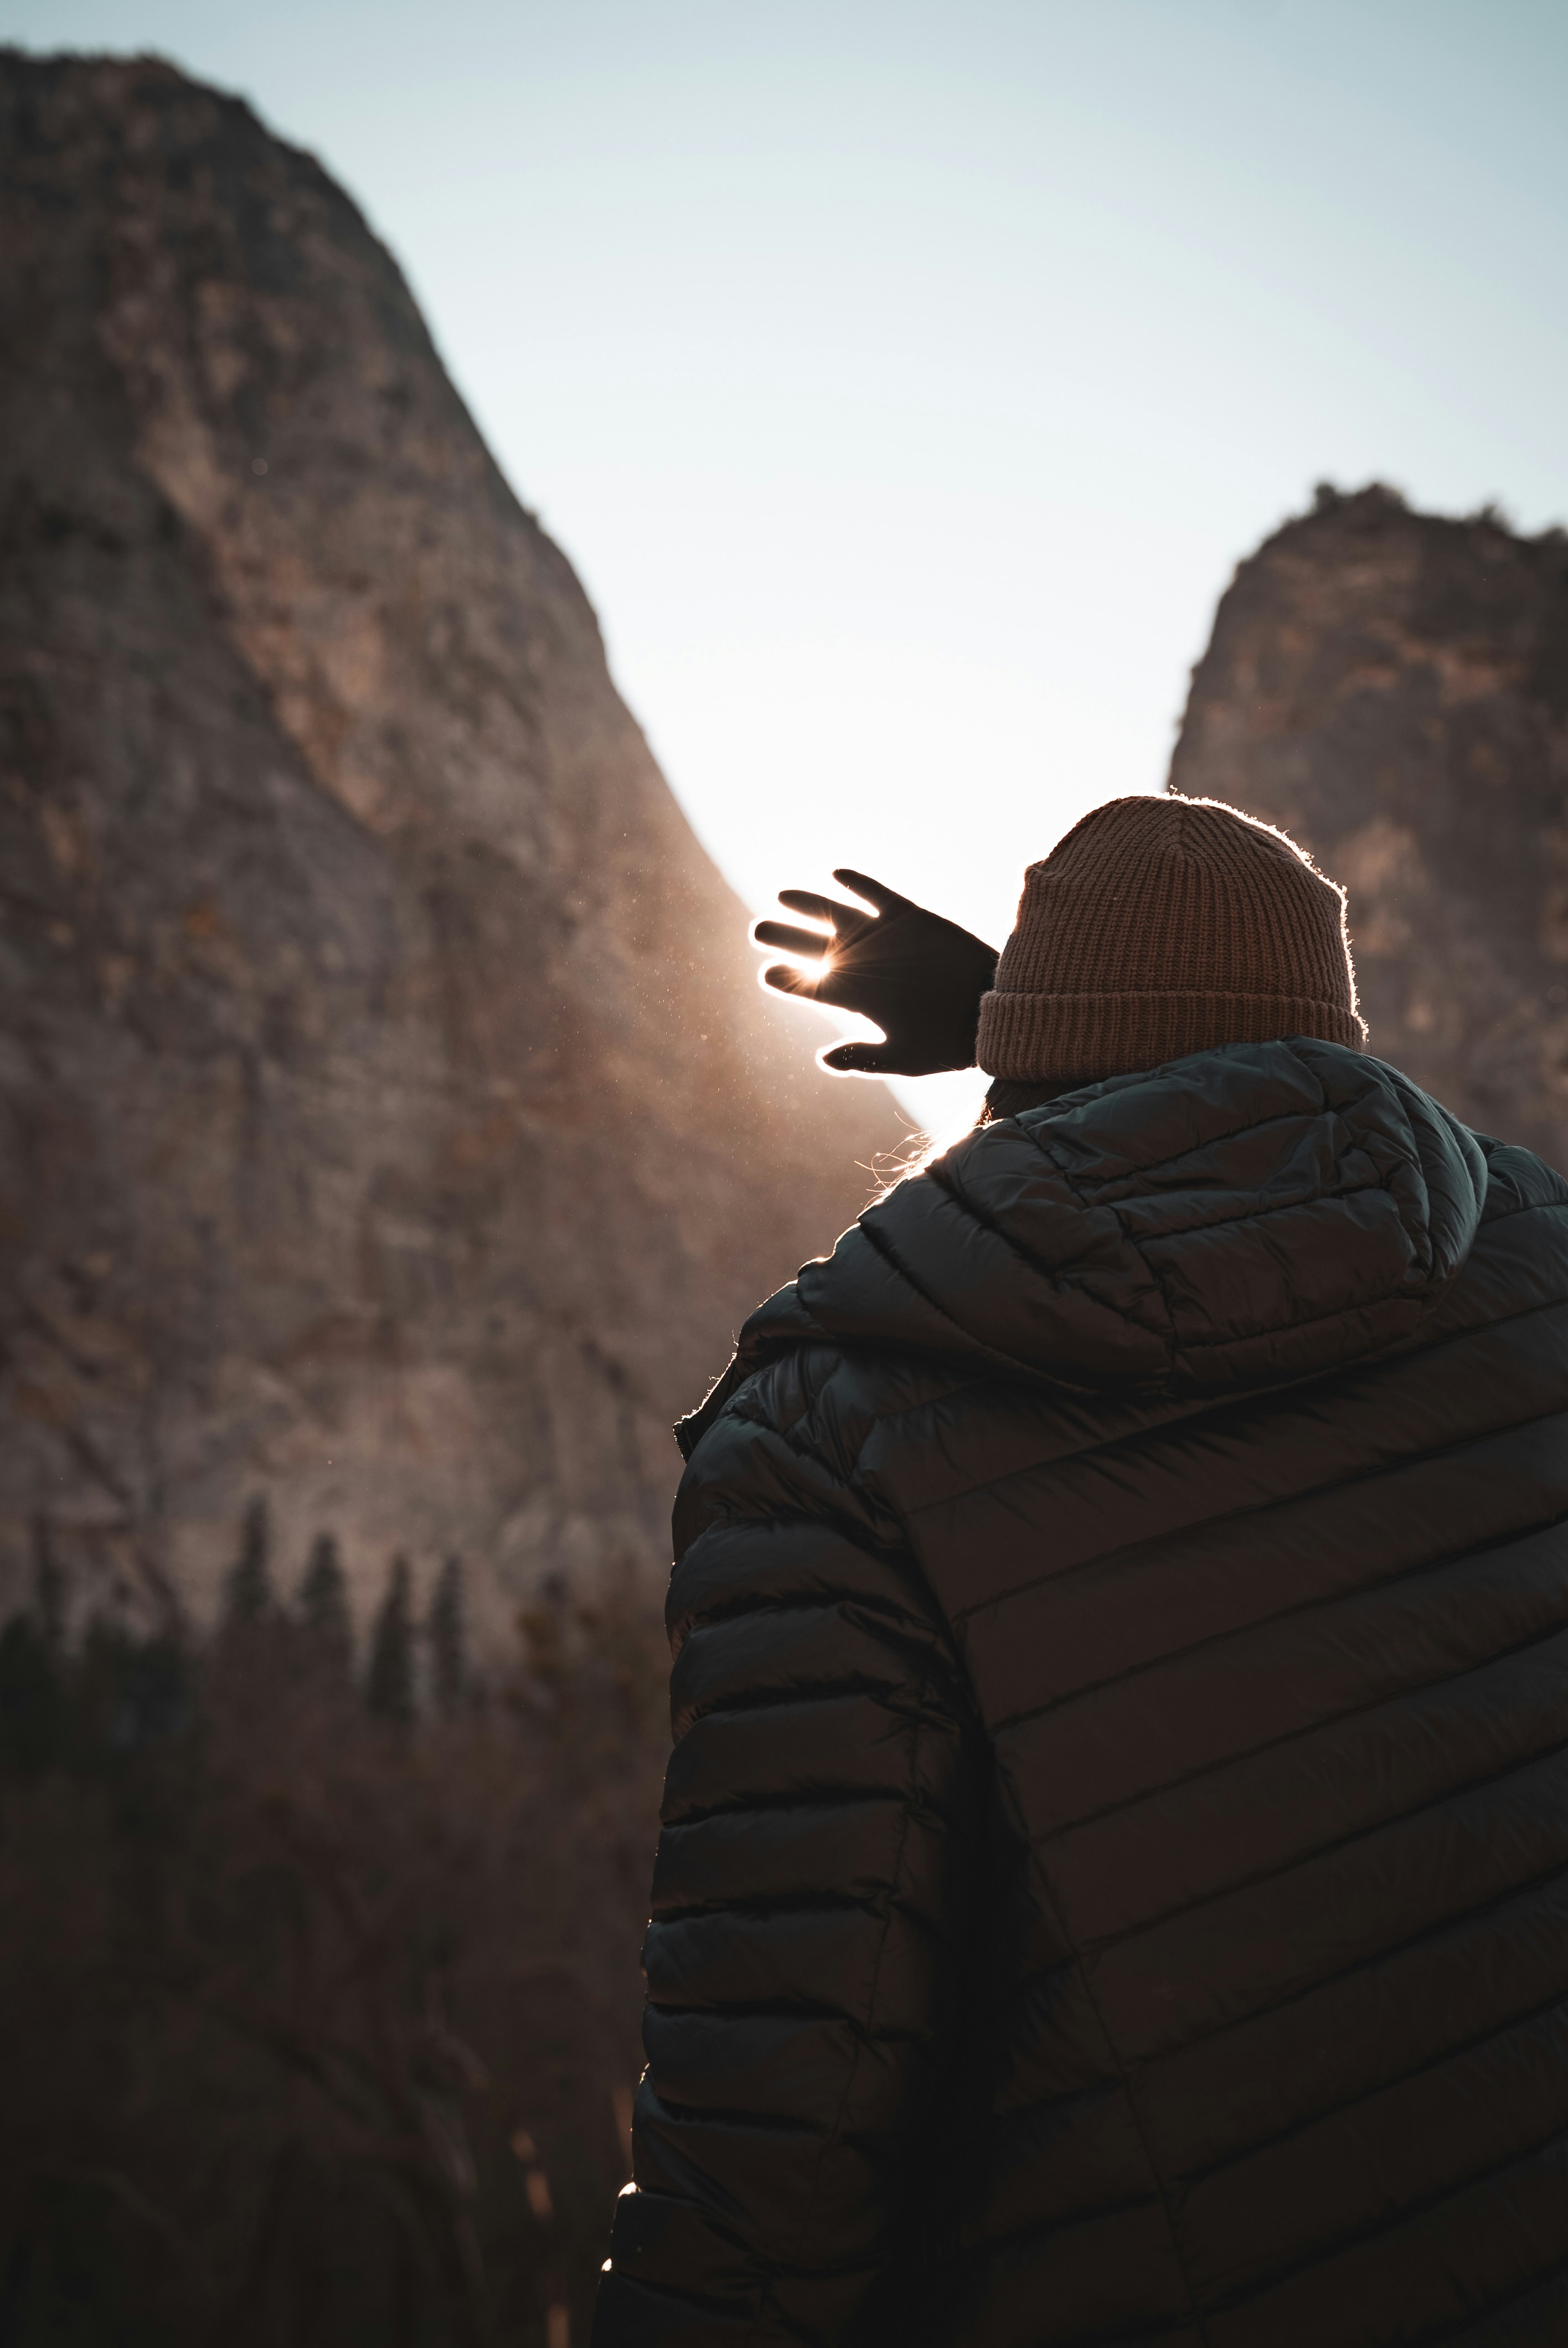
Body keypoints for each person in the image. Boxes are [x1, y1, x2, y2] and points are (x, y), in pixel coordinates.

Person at [591, 794, 1568, 2347]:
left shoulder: (833, 1426)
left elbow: (784, 2108)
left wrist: (1035, 1036)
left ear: (1027, 1062)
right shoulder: (1544, 1269)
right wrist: (1063, 1031)